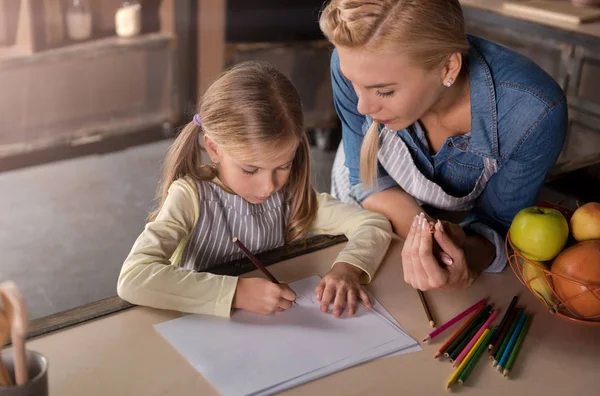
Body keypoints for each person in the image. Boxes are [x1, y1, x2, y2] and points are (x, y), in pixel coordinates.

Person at [319, 0, 568, 291]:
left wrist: (461, 258)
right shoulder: (353, 62)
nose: (362, 107)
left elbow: (497, 225)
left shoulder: (532, 112)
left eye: (384, 91)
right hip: (372, 209)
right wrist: (430, 236)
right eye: (353, 83)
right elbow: (367, 180)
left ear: (448, 66)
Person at [117, 61, 392, 318]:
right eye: (250, 170)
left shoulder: (290, 197)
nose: (269, 186)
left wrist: (349, 267)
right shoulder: (189, 197)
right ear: (213, 148)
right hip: (198, 324)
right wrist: (237, 293)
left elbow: (372, 222)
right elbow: (134, 278)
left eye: (283, 166)